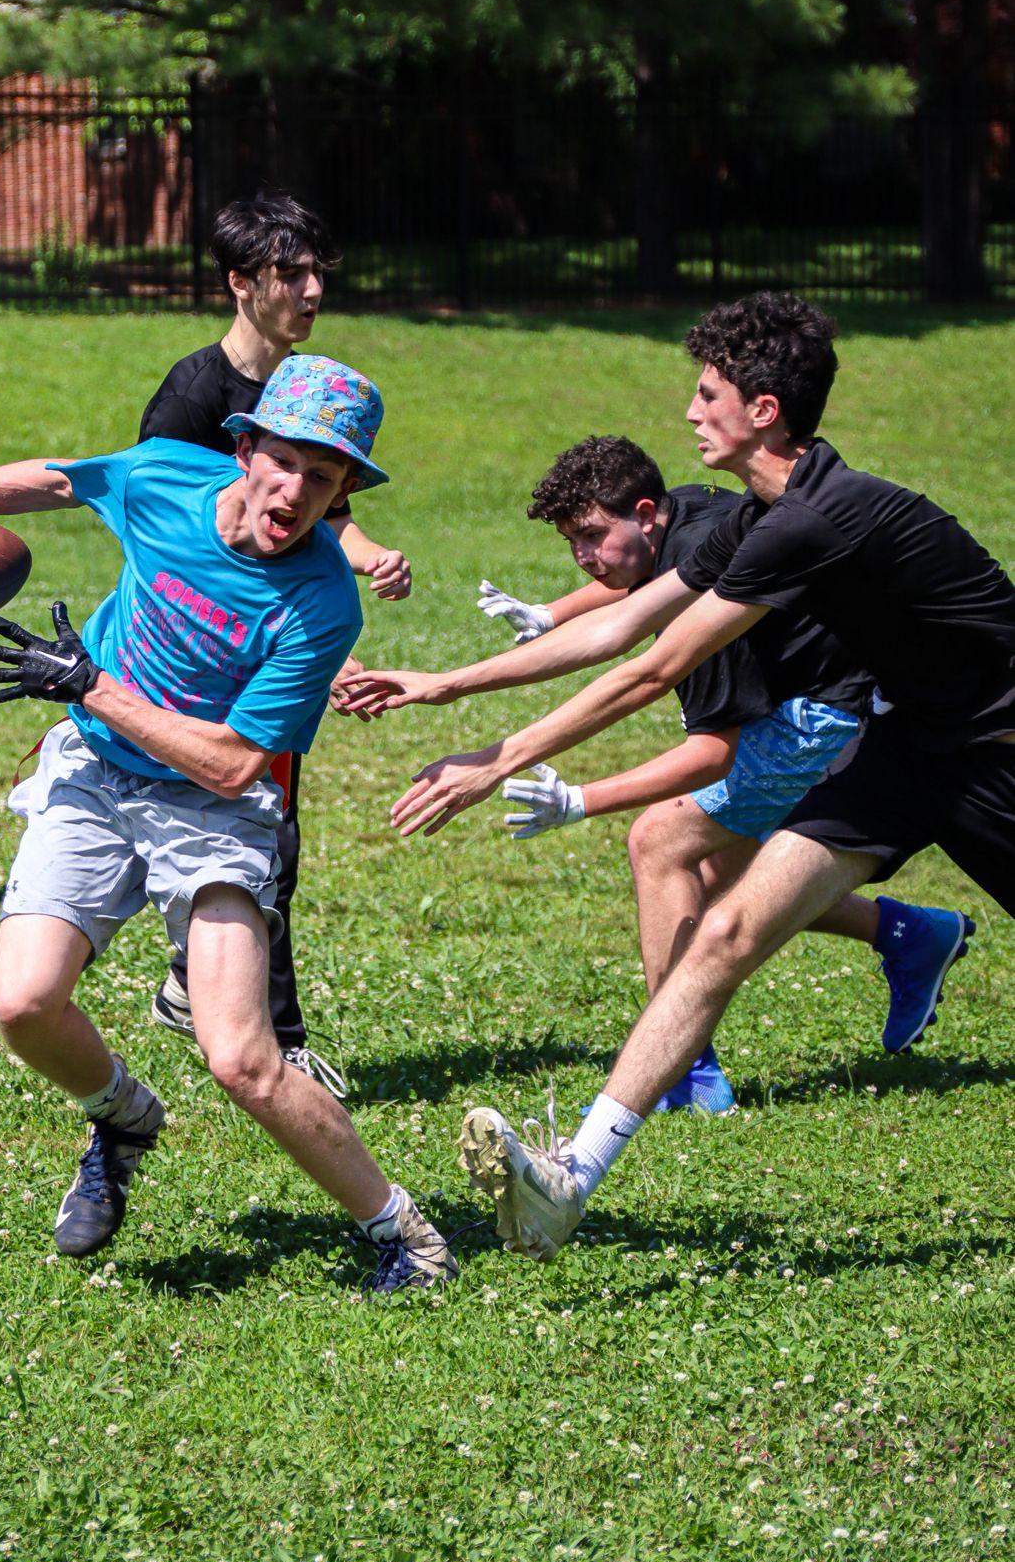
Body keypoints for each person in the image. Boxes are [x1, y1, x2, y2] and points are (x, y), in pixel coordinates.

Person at [373, 292, 1012, 1260]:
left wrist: (499, 760)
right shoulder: (756, 516)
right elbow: (622, 624)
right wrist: (448, 684)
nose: (688, 411)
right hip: (907, 746)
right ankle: (569, 1180)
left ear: (764, 410)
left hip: (997, 750)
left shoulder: (816, 518)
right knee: (723, 928)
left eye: (708, 393)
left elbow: (654, 670)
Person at [0, 355, 457, 1295]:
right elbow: (61, 480)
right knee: (22, 1004)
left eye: (322, 477)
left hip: (211, 808)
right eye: (284, 462)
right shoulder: (164, 477)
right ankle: (123, 1116)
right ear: (244, 450)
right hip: (97, 772)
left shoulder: (320, 605)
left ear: (342, 491)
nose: (294, 493)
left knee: (243, 1059)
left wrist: (89, 685)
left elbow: (232, 764)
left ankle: (405, 1235)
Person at [343, 433, 960, 1107]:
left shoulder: (704, 596)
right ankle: (908, 935)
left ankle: (683, 1072)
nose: (583, 558)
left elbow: (710, 747)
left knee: (661, 841)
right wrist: (470, 668)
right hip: (853, 698)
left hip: (835, 717)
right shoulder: (685, 512)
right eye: (571, 543)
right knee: (721, 872)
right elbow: (622, 606)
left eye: (591, 536)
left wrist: (573, 797)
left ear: (644, 513)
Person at [138, 191, 412, 1096]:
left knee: (267, 839)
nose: (311, 290)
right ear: (240, 283)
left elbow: (316, 518)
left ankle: (202, 988)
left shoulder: (307, 387)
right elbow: (169, 524)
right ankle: (271, 1038)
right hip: (208, 657)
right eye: (289, 274)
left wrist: (367, 559)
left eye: (316, 273)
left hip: (270, 647)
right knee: (249, 835)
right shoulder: (194, 395)